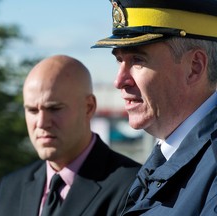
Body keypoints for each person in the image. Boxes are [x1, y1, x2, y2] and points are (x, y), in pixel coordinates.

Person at [92, 0, 217, 215]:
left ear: (194, 67)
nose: (119, 80)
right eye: (119, 61)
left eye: (137, 60)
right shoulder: (166, 158)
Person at [0, 55, 141, 216]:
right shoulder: (10, 189)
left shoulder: (133, 187)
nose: (42, 123)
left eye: (54, 109)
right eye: (32, 110)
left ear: (89, 107)